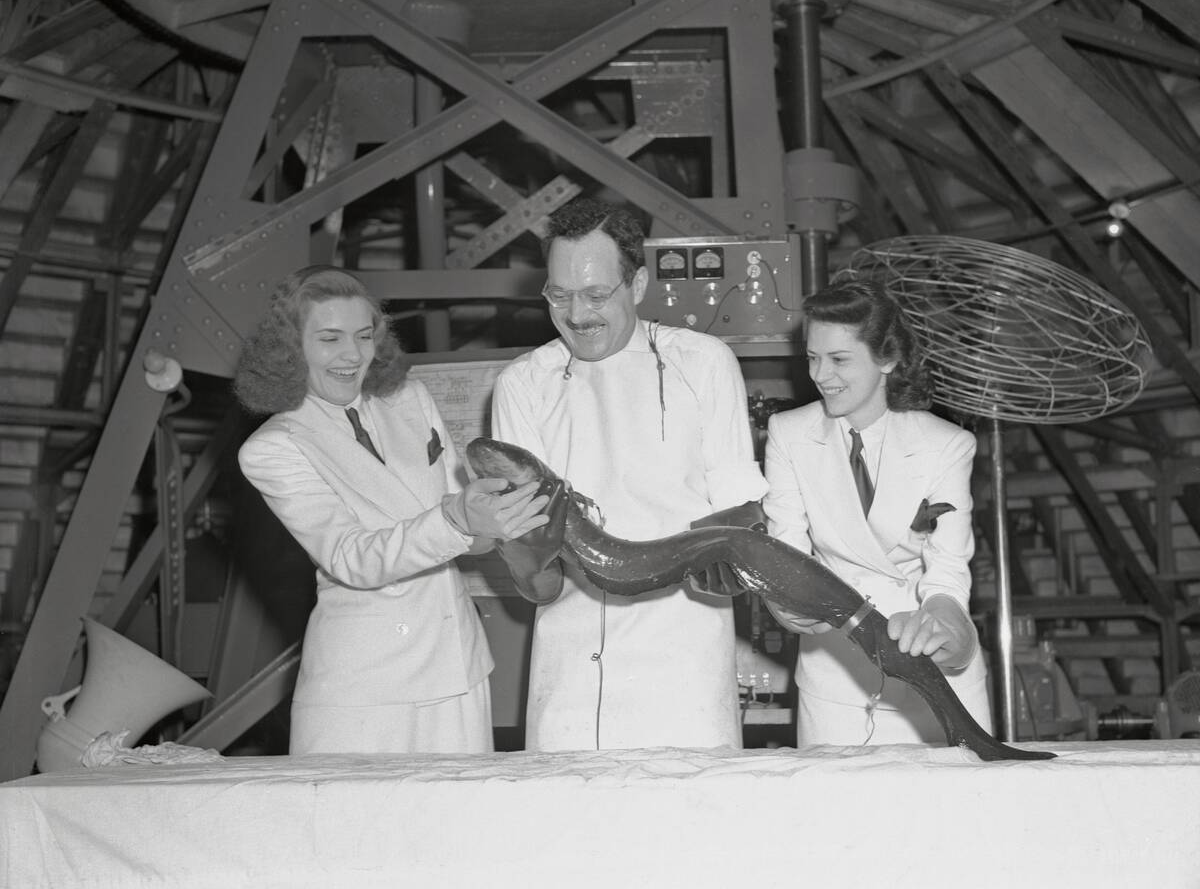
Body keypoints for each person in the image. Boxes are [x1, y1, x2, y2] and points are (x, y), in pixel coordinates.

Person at [234, 265, 549, 754]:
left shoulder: (410, 397)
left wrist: (501, 520)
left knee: (461, 827)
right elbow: (351, 558)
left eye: (364, 336)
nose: (352, 355)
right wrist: (457, 518)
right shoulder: (272, 448)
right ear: (290, 347)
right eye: (329, 338)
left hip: (458, 668)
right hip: (366, 689)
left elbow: (466, 525)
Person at [491, 199, 768, 751]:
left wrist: (743, 551)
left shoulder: (703, 362)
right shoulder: (522, 384)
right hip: (570, 664)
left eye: (597, 295)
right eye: (559, 295)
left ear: (638, 285)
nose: (577, 315)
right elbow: (537, 576)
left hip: (684, 658)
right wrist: (518, 555)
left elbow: (740, 508)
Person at [762, 276, 993, 747]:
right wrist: (784, 603)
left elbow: (947, 569)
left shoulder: (947, 445)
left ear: (887, 359)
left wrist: (944, 621)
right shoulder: (787, 434)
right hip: (834, 681)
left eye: (839, 359)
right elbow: (783, 555)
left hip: (930, 674)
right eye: (812, 358)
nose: (821, 375)